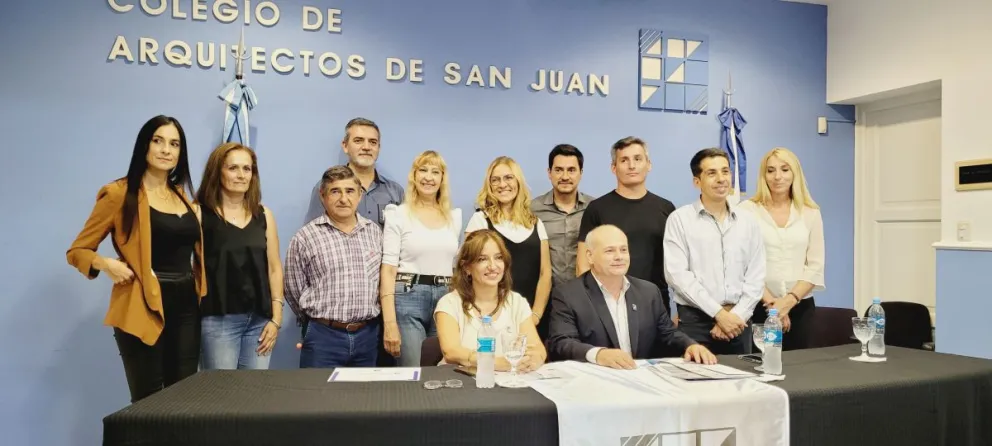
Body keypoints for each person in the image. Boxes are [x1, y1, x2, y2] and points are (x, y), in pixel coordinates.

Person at [66, 115, 205, 403]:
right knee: (149, 403)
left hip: (186, 306)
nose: (166, 149)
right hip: (143, 302)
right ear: (144, 145)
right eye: (158, 141)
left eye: (174, 143)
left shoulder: (181, 196)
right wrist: (107, 264)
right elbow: (77, 251)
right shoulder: (119, 193)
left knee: (184, 399)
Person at [547, 225, 716, 368]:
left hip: (641, 381)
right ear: (590, 256)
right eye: (609, 251)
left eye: (623, 250)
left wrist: (691, 345)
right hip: (593, 383)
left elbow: (668, 334)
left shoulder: (648, 292)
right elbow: (562, 343)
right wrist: (599, 354)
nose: (619, 257)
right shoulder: (568, 294)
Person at [663, 148, 767, 355]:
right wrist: (719, 314)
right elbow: (677, 276)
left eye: (725, 172)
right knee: (694, 384)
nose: (721, 179)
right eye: (712, 173)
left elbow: (757, 275)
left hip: (740, 322)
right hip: (696, 323)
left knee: (742, 384)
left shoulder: (748, 221)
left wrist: (736, 316)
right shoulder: (679, 219)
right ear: (697, 182)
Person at [195, 142, 284, 370]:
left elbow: (274, 268)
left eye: (247, 169)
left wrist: (276, 318)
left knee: (254, 399)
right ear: (218, 172)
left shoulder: (264, 215)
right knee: (222, 400)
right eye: (233, 168)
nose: (241, 175)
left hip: (260, 321)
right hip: (218, 321)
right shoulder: (199, 213)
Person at [284, 166, 384, 368]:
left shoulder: (375, 233)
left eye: (349, 191)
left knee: (364, 398)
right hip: (323, 337)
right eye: (335, 191)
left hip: (368, 336)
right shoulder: (305, 237)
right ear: (323, 196)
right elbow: (293, 288)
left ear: (359, 195)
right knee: (318, 397)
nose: (343, 199)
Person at [577, 137, 677, 316]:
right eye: (624, 160)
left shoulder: (666, 208)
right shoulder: (597, 209)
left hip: (655, 304)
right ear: (613, 168)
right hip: (607, 304)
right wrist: (590, 306)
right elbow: (583, 264)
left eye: (638, 159)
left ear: (649, 164)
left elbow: (677, 263)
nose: (632, 165)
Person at [380, 151, 462, 366]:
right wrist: (389, 323)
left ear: (442, 179)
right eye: (423, 170)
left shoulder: (454, 218)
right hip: (408, 297)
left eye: (435, 172)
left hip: (446, 298)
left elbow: (456, 267)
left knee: (444, 369)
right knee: (413, 371)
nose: (429, 177)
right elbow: (388, 270)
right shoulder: (398, 214)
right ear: (414, 176)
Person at [737, 147, 824, 350]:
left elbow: (815, 265)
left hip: (800, 307)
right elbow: (742, 264)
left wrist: (788, 301)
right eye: (770, 170)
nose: (777, 176)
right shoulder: (746, 211)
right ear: (763, 175)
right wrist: (773, 306)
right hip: (758, 306)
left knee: (800, 373)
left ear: (795, 173)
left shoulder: (810, 212)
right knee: (759, 369)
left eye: (785, 169)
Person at [465, 157, 552, 339]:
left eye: (508, 178)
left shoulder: (536, 223)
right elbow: (469, 270)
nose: (502, 184)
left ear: (518, 182)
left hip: (532, 319)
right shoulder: (480, 220)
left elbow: (545, 274)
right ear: (489, 185)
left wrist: (534, 316)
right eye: (495, 180)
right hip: (491, 319)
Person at [434, 230, 546, 371]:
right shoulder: (449, 303)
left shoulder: (517, 302)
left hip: (508, 385)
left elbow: (538, 349)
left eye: (498, 258)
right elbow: (451, 352)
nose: (493, 266)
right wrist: (496, 363)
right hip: (460, 383)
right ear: (467, 267)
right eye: (482, 259)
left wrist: (533, 359)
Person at [304, 117, 404, 226]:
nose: (366, 147)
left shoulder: (396, 191)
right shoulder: (327, 187)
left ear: (378, 148)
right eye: (358, 141)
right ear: (345, 146)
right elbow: (312, 233)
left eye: (373, 142)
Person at [531, 144, 594, 289]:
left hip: (586, 295)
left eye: (571, 170)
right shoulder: (532, 210)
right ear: (549, 172)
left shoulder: (595, 208)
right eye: (558, 170)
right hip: (544, 296)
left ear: (581, 173)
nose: (565, 177)